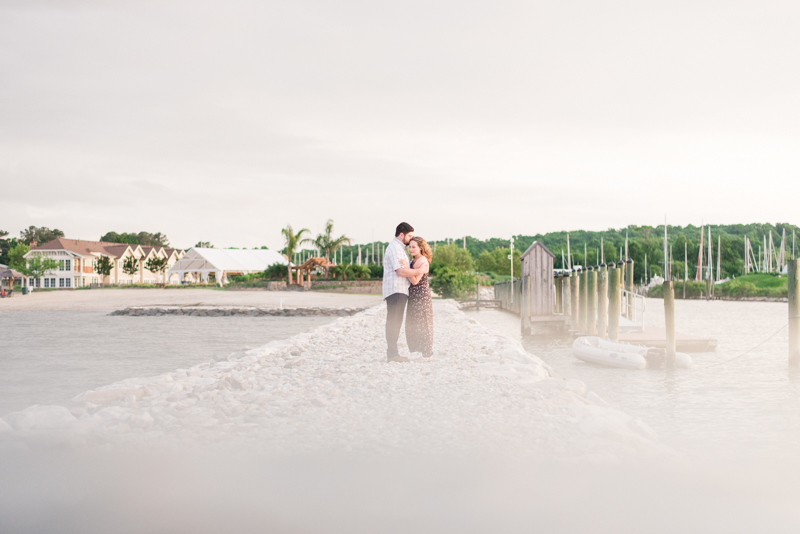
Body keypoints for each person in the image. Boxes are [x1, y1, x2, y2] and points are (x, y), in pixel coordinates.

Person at [382, 222, 428, 362]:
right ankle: (392, 354)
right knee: (394, 321)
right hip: (396, 290)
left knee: (395, 321)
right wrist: (420, 270)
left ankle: (393, 353)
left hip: (398, 290)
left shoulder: (399, 248)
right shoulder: (395, 248)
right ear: (401, 235)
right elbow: (401, 271)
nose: (410, 238)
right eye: (409, 236)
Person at [405, 237, 434, 360]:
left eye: (413, 247)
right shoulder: (414, 259)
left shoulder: (423, 260)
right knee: (413, 323)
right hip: (413, 295)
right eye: (409, 247)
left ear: (420, 248)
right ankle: (418, 351)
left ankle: (427, 354)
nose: (410, 249)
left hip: (421, 296)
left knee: (423, 323)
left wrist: (406, 271)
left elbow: (416, 281)